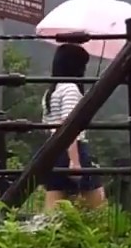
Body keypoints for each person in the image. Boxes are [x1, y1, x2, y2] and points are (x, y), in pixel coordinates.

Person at [40, 43, 107, 212]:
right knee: (97, 206)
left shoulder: (51, 91)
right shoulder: (71, 89)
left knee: (52, 210)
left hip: (53, 152)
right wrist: (75, 161)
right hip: (73, 150)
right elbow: (69, 128)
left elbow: (49, 125)